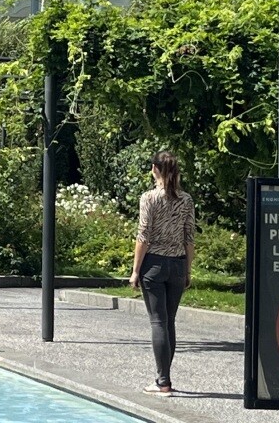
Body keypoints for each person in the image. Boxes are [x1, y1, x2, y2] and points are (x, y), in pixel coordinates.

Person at [129, 150, 195, 396]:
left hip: (154, 265)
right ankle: (164, 378)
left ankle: (162, 381)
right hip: (177, 264)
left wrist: (136, 271)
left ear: (155, 169)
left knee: (158, 321)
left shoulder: (149, 198)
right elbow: (189, 237)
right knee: (169, 321)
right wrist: (187, 269)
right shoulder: (186, 200)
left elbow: (143, 236)